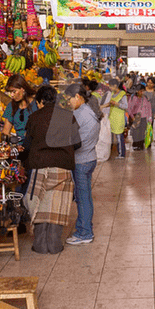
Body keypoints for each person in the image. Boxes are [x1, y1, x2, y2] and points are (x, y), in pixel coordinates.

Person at [24, 86, 79, 254]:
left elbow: (27, 145)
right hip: (62, 166)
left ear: (40, 102)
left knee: (39, 206)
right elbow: (78, 143)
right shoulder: (68, 116)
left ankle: (40, 245)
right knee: (57, 207)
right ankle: (54, 245)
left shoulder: (33, 117)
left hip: (40, 167)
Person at [65, 84, 100, 245]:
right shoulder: (88, 110)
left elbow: (70, 137)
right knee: (84, 197)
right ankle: (85, 227)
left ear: (78, 97)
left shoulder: (79, 114)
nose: (68, 102)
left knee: (82, 197)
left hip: (81, 160)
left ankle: (85, 233)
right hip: (90, 157)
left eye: (70, 99)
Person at [2, 75, 38, 140]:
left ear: (22, 89)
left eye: (14, 91)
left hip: (35, 144)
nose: (12, 95)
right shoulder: (11, 106)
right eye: (10, 92)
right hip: (19, 145)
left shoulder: (37, 103)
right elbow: (6, 131)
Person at [103, 79, 129, 158]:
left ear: (115, 86)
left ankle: (122, 154)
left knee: (119, 137)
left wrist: (116, 103)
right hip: (112, 118)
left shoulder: (122, 94)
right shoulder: (113, 94)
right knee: (115, 137)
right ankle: (119, 152)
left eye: (110, 86)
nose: (110, 88)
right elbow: (110, 104)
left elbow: (125, 106)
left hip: (119, 118)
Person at [128, 85, 152, 150]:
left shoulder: (145, 98)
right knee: (135, 132)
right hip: (136, 117)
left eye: (143, 91)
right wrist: (132, 117)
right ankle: (136, 145)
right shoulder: (133, 98)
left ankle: (141, 145)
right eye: (140, 91)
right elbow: (129, 109)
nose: (142, 92)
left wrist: (149, 118)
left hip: (143, 117)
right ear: (137, 91)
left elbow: (148, 108)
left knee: (142, 131)